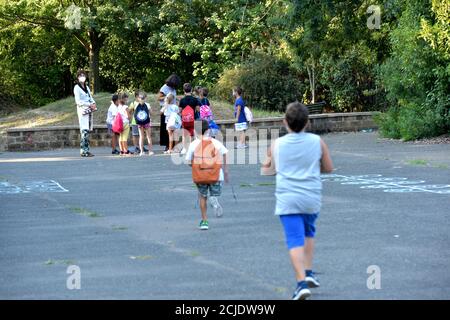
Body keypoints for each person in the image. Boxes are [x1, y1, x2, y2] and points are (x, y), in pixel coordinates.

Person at [261, 102, 333, 300]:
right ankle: (309, 272)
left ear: (285, 122)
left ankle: (301, 283)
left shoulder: (277, 144)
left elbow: (268, 169)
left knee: (294, 239)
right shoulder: (317, 141)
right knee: (309, 232)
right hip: (311, 196)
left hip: (288, 198)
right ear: (307, 122)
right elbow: (328, 167)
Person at [186, 120, 229, 230]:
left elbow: (188, 161)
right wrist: (225, 170)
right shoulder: (215, 142)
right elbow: (225, 153)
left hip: (200, 176)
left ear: (195, 131)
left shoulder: (193, 144)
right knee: (214, 192)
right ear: (208, 130)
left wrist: (196, 167)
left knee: (202, 196)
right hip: (216, 175)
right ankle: (214, 198)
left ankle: (204, 221)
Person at [74, 70, 97, 157]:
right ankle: (84, 151)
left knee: (87, 130)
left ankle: (86, 150)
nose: (82, 76)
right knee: (84, 130)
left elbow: (90, 97)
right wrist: (89, 104)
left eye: (84, 75)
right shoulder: (76, 87)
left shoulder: (86, 87)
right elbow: (78, 101)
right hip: (82, 111)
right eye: (80, 75)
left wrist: (93, 103)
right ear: (78, 77)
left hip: (89, 111)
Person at [158, 74, 180, 151]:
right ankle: (167, 145)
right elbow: (159, 98)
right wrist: (167, 97)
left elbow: (173, 96)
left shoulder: (173, 88)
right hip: (166, 109)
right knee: (166, 129)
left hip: (173, 110)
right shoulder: (164, 88)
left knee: (174, 128)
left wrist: (176, 99)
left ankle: (173, 145)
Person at [179, 83, 201, 154]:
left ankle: (184, 149)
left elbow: (179, 111)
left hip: (184, 120)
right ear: (191, 90)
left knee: (184, 134)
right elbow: (198, 110)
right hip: (192, 119)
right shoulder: (195, 99)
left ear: (183, 90)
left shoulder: (182, 100)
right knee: (192, 134)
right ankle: (192, 149)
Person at [134, 91, 154, 156]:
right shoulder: (147, 105)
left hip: (140, 123)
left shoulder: (136, 105)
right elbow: (151, 113)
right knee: (149, 136)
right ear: (145, 98)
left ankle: (141, 152)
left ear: (138, 98)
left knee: (141, 137)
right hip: (147, 122)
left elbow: (135, 114)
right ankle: (150, 151)